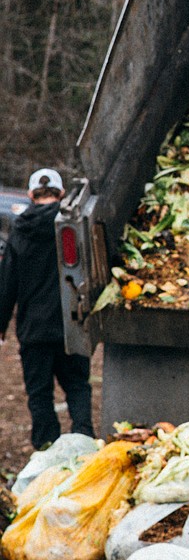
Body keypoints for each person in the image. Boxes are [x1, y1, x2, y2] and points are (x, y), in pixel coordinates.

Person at [0, 168, 94, 449]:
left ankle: (45, 452)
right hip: (71, 325)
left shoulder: (19, 232)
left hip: (34, 330)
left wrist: (1, 325)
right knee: (77, 387)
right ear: (61, 193)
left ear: (30, 195)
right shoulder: (73, 229)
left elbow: (7, 284)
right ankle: (85, 445)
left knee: (40, 396)